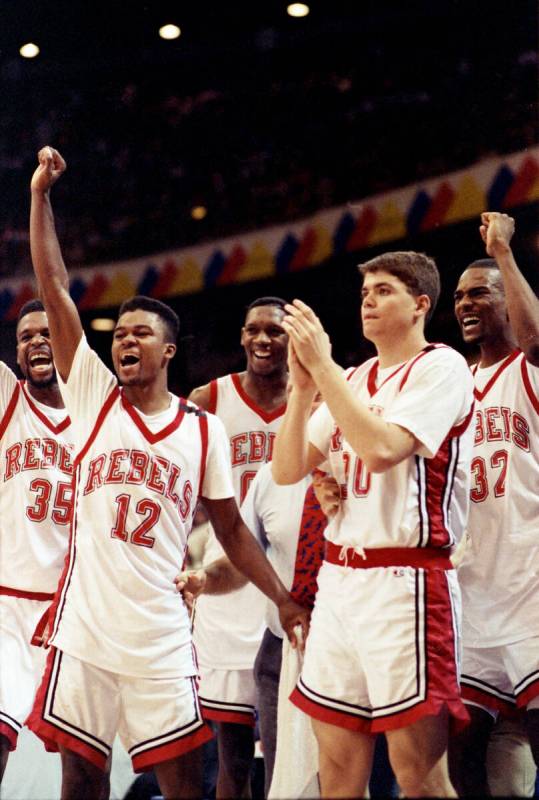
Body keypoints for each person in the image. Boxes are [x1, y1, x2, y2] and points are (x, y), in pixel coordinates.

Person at [25, 146, 308, 800]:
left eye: (139, 335)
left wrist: (282, 599)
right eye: (119, 333)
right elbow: (54, 287)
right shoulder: (92, 395)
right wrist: (41, 196)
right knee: (80, 779)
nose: (125, 341)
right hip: (87, 628)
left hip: (159, 631)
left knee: (182, 782)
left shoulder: (201, 427)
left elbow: (234, 532)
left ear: (169, 350)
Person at [271, 250, 475, 798]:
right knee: (336, 773)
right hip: (339, 583)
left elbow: (383, 448)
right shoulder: (355, 377)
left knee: (419, 776)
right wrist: (303, 389)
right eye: (365, 294)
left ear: (420, 305)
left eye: (384, 291)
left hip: (406, 584)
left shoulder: (442, 367)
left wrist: (325, 371)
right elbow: (287, 468)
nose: (369, 302)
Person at [449, 211, 539, 796]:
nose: (463, 304)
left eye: (479, 293)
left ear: (509, 299)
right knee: (466, 758)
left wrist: (503, 253)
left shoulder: (528, 370)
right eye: (457, 297)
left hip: (530, 588)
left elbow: (536, 338)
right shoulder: (447, 382)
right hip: (469, 597)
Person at [188, 296, 288, 799]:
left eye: (275, 330)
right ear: (242, 337)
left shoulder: (316, 401)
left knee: (286, 756)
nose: (262, 339)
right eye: (253, 329)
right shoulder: (209, 399)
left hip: (287, 581)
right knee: (233, 762)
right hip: (226, 584)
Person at [0, 300, 73, 784]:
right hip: (7, 606)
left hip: (72, 613)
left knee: (82, 763)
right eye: (26, 336)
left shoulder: (101, 409)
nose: (36, 342)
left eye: (46, 332)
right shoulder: (8, 399)